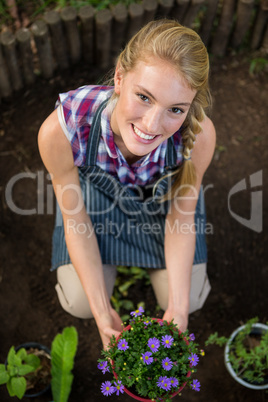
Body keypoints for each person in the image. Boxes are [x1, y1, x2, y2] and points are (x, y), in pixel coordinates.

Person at [38, 19, 216, 348]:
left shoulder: (199, 136)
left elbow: (180, 218)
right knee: (79, 301)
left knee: (190, 298)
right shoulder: (64, 128)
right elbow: (75, 217)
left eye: (175, 109)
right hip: (96, 207)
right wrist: (102, 311)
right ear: (120, 76)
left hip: (159, 210)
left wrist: (178, 308)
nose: (152, 125)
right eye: (144, 97)